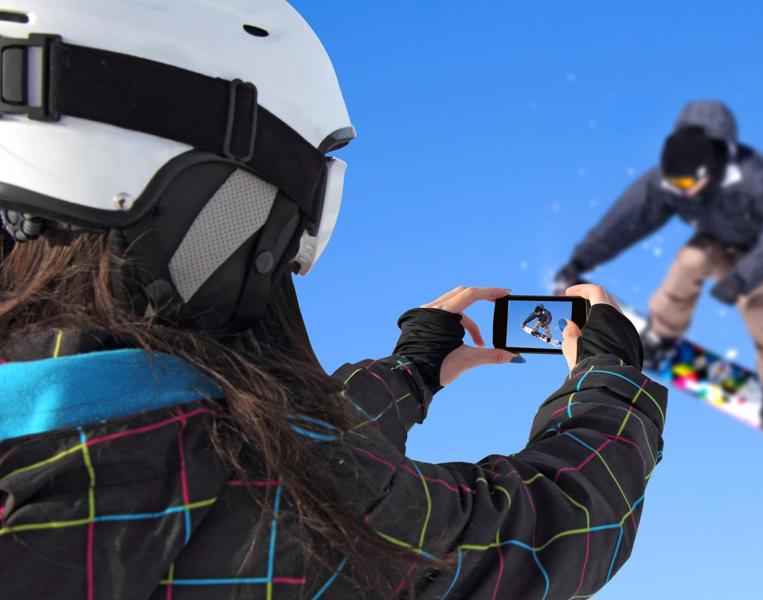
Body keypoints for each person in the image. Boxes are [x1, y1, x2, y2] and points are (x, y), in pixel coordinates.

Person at [0, 2, 668, 598]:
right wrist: (608, 376)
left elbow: (296, 455)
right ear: (227, 190)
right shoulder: (266, 498)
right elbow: (562, 526)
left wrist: (408, 374)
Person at [554, 100, 763, 429]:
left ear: (711, 168)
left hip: (762, 253)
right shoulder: (672, 178)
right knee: (689, 261)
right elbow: (626, 221)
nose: (682, 193)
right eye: (676, 185)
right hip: (716, 241)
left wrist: (743, 278)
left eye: (688, 186)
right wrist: (579, 261)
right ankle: (663, 335)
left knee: (755, 305)